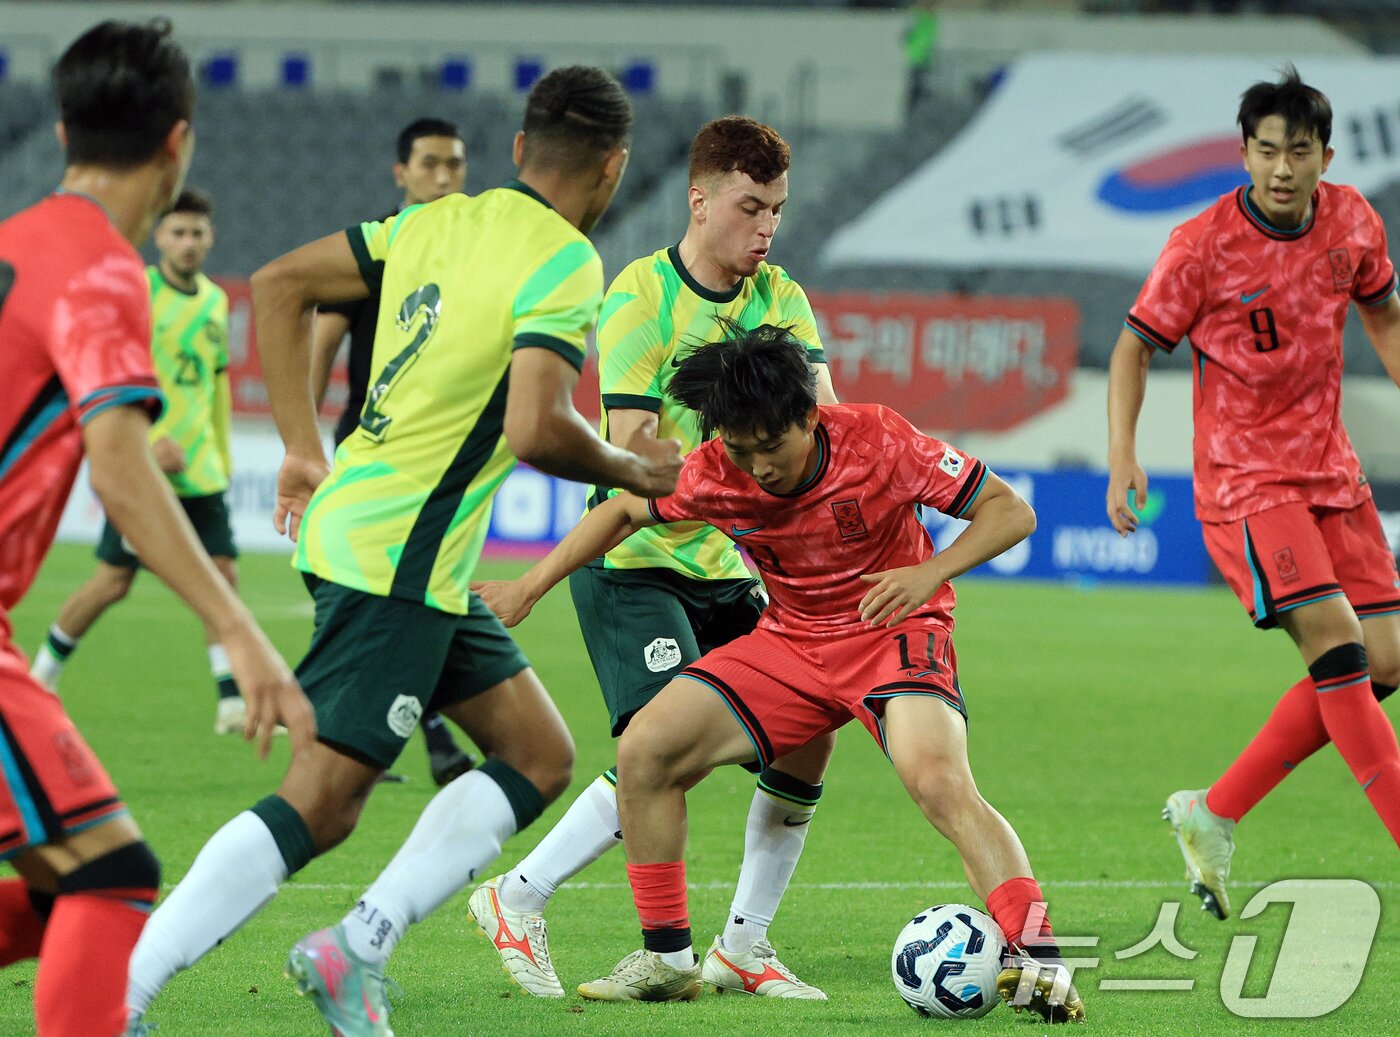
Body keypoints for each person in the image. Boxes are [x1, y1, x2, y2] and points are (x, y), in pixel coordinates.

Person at [123, 65, 682, 1037]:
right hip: (394, 559)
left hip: (400, 549)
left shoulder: (434, 220)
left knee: (537, 752)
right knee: (324, 800)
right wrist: (632, 469)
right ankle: (120, 990)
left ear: (515, 152)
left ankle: (358, 944)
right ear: (614, 168)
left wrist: (302, 445)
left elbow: (276, 282)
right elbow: (539, 427)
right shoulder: (566, 260)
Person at [476, 322, 1085, 1024]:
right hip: (791, 643)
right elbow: (620, 511)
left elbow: (1011, 510)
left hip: (893, 631)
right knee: (645, 748)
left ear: (808, 416)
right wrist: (530, 586)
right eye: (742, 448)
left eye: (772, 446)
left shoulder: (879, 439)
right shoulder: (715, 470)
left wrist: (930, 571)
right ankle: (670, 960)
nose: (759, 466)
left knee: (940, 781)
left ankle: (1041, 961)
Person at [469, 115, 840, 1001]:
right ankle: (521, 897)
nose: (767, 228)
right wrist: (532, 582)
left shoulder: (782, 297)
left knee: (810, 731)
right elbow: (637, 457)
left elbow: (828, 426)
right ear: (699, 197)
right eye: (751, 207)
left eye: (778, 211)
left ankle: (744, 944)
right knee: (661, 743)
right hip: (634, 561)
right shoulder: (640, 296)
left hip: (732, 565)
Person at [0, 20, 312, 1037]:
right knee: (112, 876)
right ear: (180, 143)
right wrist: (239, 629)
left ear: (60, 131)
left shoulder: (15, 245)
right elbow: (124, 471)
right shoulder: (101, 271)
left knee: (61, 886)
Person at [1107, 67, 1400, 920]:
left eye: (1296, 152)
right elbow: (1132, 347)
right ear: (1242, 154)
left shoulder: (1353, 221)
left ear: (1324, 157)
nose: (1280, 167)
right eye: (1265, 150)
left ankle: (1215, 809)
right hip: (1245, 483)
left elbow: (1382, 310)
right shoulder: (1200, 248)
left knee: (1384, 659)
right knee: (1341, 649)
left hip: (1331, 475)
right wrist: (1124, 453)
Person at [29, 188, 252, 735]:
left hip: (202, 474)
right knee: (112, 582)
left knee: (222, 575)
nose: (188, 242)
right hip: (146, 469)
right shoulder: (139, 293)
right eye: (177, 232)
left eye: (197, 232)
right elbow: (105, 373)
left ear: (211, 237)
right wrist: (147, 439)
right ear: (159, 237)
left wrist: (221, 455)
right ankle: (39, 677)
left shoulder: (215, 303)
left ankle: (229, 701)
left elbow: (215, 386)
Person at [310, 117, 476, 786]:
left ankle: (357, 725)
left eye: (455, 165)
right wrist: (303, 446)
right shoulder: (374, 246)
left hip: (444, 453)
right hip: (371, 446)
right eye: (430, 163)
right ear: (400, 172)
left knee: (407, 600)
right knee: (397, 598)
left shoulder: (470, 253)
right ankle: (414, 731)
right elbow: (321, 341)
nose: (443, 177)